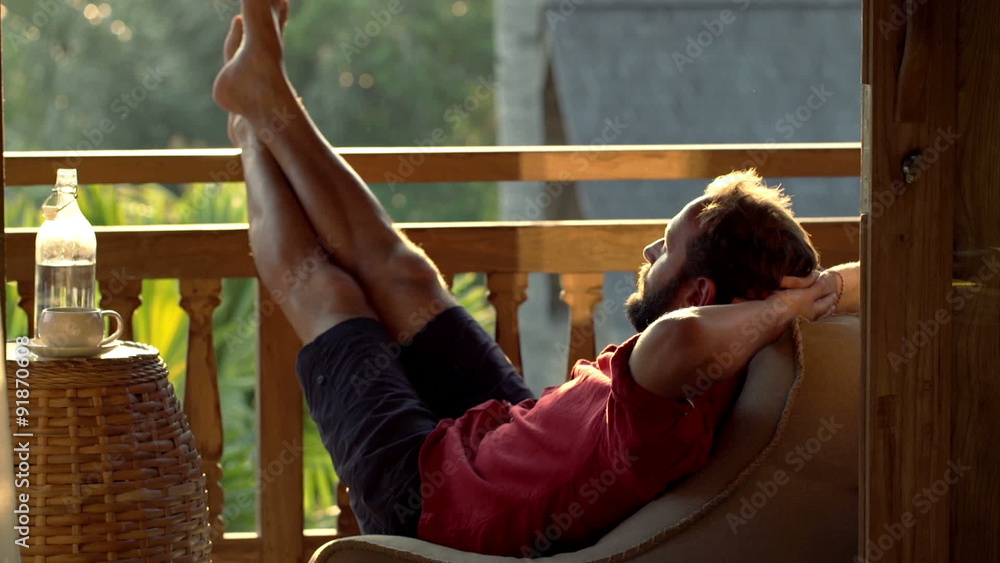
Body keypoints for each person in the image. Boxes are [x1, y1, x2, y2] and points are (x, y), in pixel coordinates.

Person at [212, 0, 861, 557]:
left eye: (666, 248)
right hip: (504, 432)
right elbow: (876, 272)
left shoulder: (678, 376)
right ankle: (268, 97)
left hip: (430, 498)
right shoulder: (711, 363)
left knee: (326, 293)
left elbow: (686, 337)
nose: (646, 249)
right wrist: (808, 291)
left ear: (699, 293)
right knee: (407, 274)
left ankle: (250, 127)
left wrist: (783, 309)